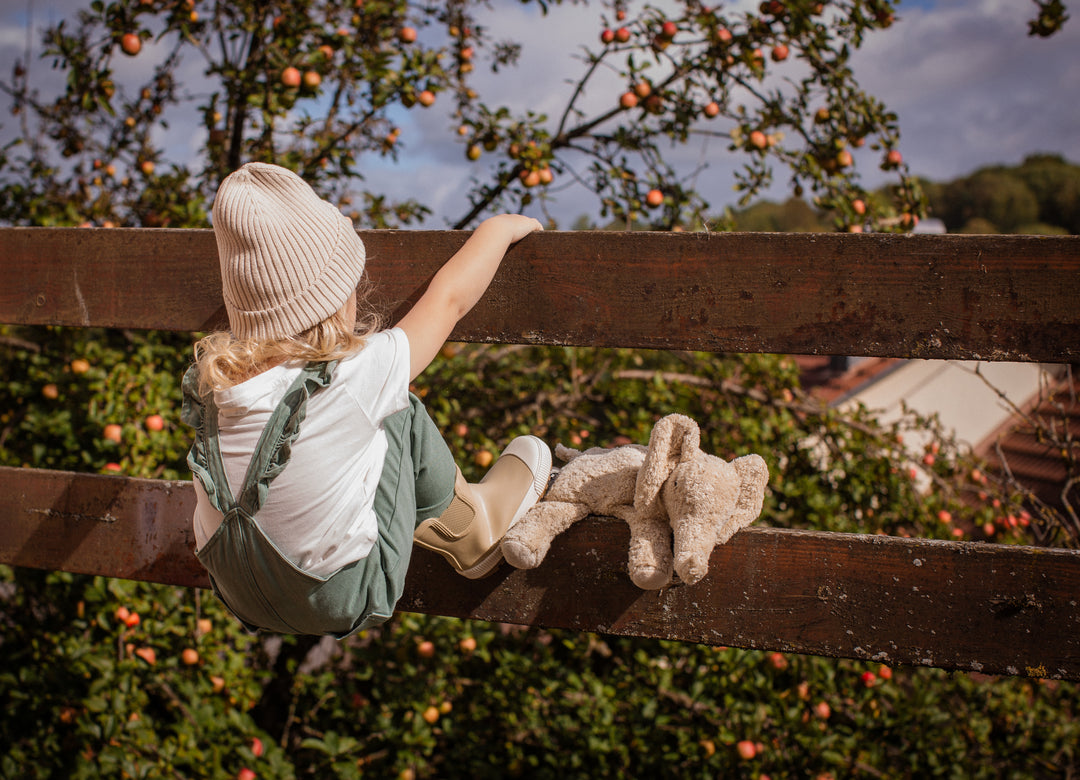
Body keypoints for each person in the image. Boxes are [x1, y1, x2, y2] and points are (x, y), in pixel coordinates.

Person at [181, 162, 550, 638]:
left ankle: (445, 524)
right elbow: (450, 300)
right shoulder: (355, 373)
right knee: (399, 410)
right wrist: (498, 230)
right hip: (344, 596)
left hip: (240, 597)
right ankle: (473, 529)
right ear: (334, 298)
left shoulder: (217, 390)